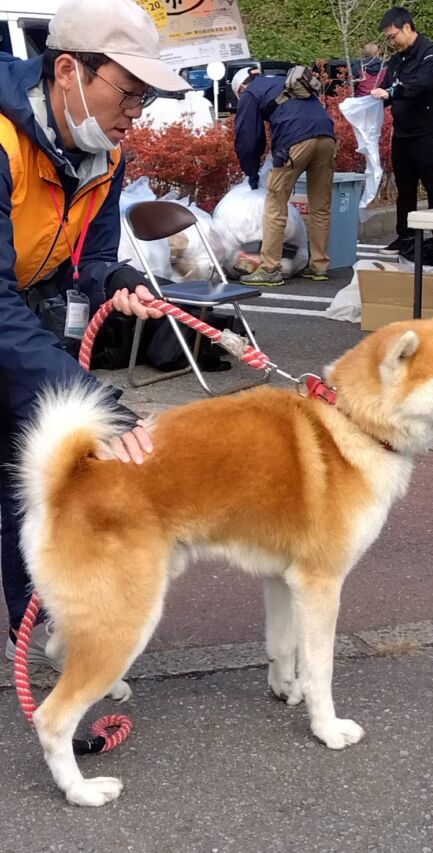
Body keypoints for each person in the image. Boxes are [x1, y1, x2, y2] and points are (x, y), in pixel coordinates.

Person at [0, 0, 190, 667]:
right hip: (6, 314)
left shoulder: (102, 153)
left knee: (40, 482)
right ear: (67, 71)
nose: (135, 113)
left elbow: (93, 258)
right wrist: (94, 401)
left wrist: (114, 284)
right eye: (128, 93)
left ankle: (55, 643)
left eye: (144, 99)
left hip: (25, 316)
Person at [232, 67, 336, 286]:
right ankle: (319, 265)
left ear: (241, 88)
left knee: (275, 203)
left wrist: (251, 171)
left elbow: (248, 139)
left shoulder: (249, 94)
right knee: (320, 205)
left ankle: (270, 268)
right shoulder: (281, 80)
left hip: (295, 140)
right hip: (326, 135)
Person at [371, 6, 433, 265]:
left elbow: (421, 84)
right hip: (403, 133)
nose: (392, 42)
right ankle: (405, 236)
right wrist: (375, 98)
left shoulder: (430, 53)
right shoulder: (397, 60)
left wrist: (393, 93)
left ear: (407, 27)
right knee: (405, 190)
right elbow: (385, 87)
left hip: (428, 132)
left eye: (393, 36)